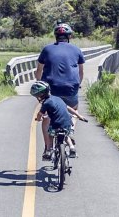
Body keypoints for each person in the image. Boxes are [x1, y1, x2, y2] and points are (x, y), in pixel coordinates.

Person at [35, 21, 85, 159]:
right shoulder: (76, 50)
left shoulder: (47, 49)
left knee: (47, 117)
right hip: (70, 89)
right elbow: (81, 73)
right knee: (74, 111)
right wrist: (77, 85)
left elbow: (39, 70)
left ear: (56, 36)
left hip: (51, 90)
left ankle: (48, 149)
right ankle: (71, 129)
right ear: (69, 36)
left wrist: (39, 84)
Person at [30, 81, 87, 160]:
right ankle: (72, 147)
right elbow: (68, 107)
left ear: (41, 95)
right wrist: (79, 115)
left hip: (56, 124)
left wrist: (39, 119)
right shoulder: (57, 98)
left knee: (51, 135)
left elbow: (40, 114)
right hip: (67, 122)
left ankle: (49, 150)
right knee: (66, 135)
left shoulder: (46, 103)